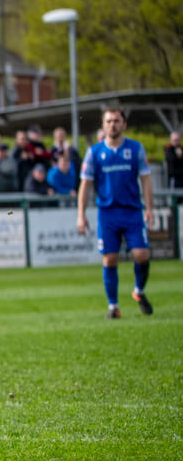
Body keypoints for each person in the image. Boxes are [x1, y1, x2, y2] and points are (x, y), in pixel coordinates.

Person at [78, 107, 154, 319]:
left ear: (124, 124)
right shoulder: (94, 153)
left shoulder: (136, 149)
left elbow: (146, 181)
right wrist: (80, 214)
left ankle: (138, 291)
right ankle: (114, 307)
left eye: (117, 121)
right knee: (110, 259)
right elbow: (85, 185)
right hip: (108, 213)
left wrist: (149, 208)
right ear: (103, 125)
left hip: (132, 212)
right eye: (109, 121)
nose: (113, 124)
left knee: (141, 255)